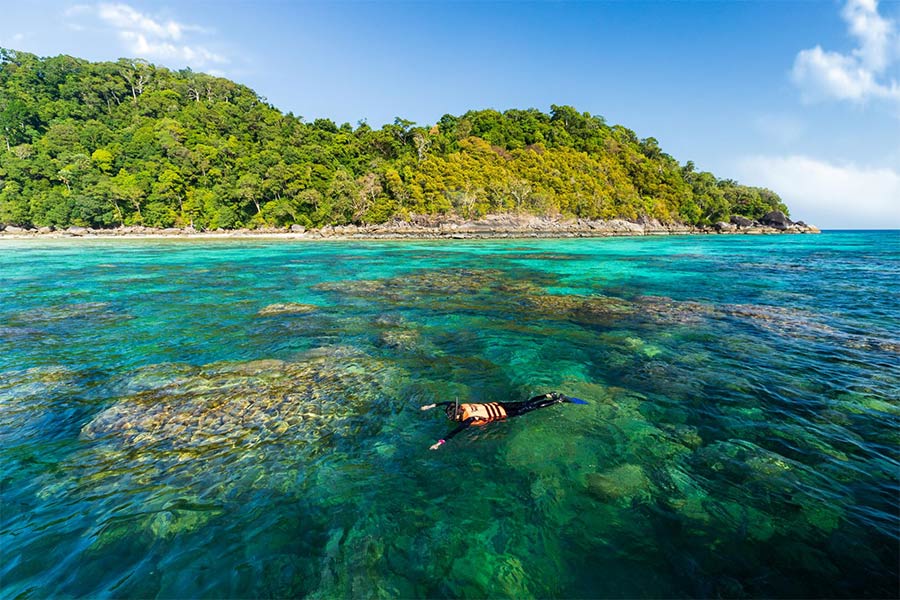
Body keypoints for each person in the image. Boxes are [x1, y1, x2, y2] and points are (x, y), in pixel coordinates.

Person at [420, 392, 588, 450]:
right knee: (527, 402)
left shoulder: (468, 420)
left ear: (457, 415)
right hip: (500, 405)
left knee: (531, 408)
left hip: (504, 413)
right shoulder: (462, 407)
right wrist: (430, 405)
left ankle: (557, 400)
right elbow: (446, 402)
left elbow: (453, 433)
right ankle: (549, 395)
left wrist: (439, 443)